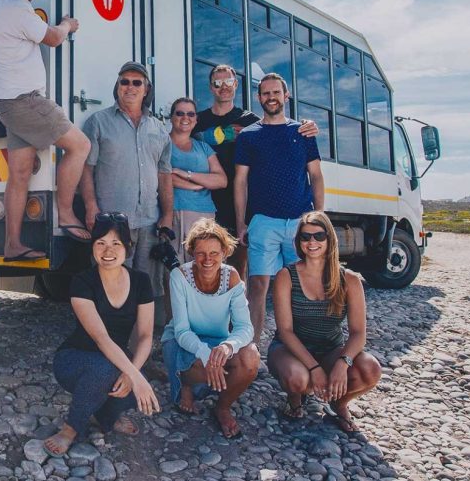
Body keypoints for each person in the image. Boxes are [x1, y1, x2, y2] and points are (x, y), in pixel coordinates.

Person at [0, 0, 91, 260]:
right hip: (27, 101)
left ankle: (13, 244)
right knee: (80, 146)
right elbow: (51, 38)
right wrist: (67, 25)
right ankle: (65, 213)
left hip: (8, 104)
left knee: (20, 173)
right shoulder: (16, 9)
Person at [44, 211, 161, 456]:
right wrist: (135, 376)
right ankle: (70, 428)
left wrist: (134, 375)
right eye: (101, 243)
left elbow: (145, 336)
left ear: (128, 247)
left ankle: (103, 417)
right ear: (92, 247)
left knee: (131, 389)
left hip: (114, 360)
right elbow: (101, 339)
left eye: (116, 243)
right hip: (74, 359)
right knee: (108, 370)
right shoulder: (82, 281)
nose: (108, 251)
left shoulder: (140, 281)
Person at [192, 64, 317, 278]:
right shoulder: (198, 121)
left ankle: (237, 310)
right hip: (203, 200)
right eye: (218, 83)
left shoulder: (250, 121)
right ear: (211, 88)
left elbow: (277, 127)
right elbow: (180, 139)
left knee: (239, 268)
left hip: (240, 202)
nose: (224, 87)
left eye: (228, 82)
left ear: (236, 85)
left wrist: (307, 124)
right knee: (202, 265)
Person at [80, 62, 174, 327]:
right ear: (117, 87)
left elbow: (165, 175)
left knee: (147, 289)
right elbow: (86, 169)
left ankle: (142, 348)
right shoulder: (98, 122)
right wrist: (90, 206)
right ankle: (110, 346)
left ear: (146, 90)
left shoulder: (159, 129)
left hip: (149, 222)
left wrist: (167, 214)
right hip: (112, 223)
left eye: (137, 82)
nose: (130, 87)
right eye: (124, 82)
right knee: (110, 285)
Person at [268, 211, 381, 433]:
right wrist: (314, 368)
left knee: (370, 368)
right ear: (298, 242)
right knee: (298, 378)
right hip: (290, 349)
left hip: (330, 349)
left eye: (319, 236)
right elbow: (286, 331)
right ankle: (295, 399)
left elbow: (358, 333)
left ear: (330, 239)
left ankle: (338, 404)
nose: (312, 242)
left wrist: (343, 363)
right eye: (305, 237)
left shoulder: (349, 280)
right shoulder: (286, 276)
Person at [234, 72, 325, 343]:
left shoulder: (303, 132)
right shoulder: (249, 136)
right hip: (263, 222)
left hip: (299, 222)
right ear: (259, 97)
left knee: (301, 286)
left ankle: (302, 346)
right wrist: (241, 222)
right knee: (259, 285)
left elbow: (316, 176)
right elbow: (240, 182)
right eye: (265, 93)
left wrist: (319, 217)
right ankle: (251, 348)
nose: (271, 97)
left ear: (286, 96)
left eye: (276, 92)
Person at [161, 218, 258, 438]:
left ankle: (222, 407)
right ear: (192, 253)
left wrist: (226, 348)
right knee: (204, 365)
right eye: (200, 253)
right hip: (182, 342)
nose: (207, 260)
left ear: (224, 252)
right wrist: (207, 355)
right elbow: (182, 331)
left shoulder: (232, 277)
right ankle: (186, 385)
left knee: (251, 359)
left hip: (217, 343)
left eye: (214, 253)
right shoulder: (180, 276)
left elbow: (245, 327)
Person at [168, 97, 227, 262]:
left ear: (196, 119)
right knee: (177, 268)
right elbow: (164, 177)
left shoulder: (203, 147)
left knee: (204, 265)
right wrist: (198, 185)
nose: (185, 118)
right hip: (176, 212)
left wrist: (187, 174)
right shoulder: (163, 144)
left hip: (205, 215)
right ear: (171, 117)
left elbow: (221, 180)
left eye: (190, 114)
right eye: (179, 113)